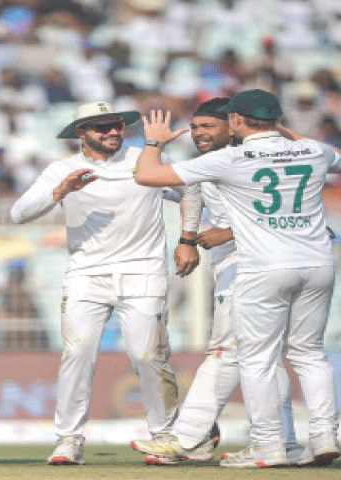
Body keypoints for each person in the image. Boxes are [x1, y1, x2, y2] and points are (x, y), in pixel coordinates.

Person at [134, 89, 341, 468]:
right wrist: (285, 133)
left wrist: (153, 142)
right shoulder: (315, 151)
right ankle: (325, 434)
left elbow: (146, 174)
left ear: (237, 122)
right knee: (309, 355)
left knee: (255, 359)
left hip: (262, 266)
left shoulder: (231, 157)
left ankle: (266, 445)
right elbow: (333, 157)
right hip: (318, 263)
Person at [10, 101, 202, 465]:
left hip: (142, 272)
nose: (113, 132)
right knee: (77, 355)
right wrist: (60, 191)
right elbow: (18, 214)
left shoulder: (144, 159)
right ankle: (69, 440)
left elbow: (191, 190)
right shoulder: (62, 169)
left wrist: (187, 239)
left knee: (148, 356)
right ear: (81, 132)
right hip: (86, 275)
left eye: (116, 125)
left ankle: (164, 438)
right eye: (102, 127)